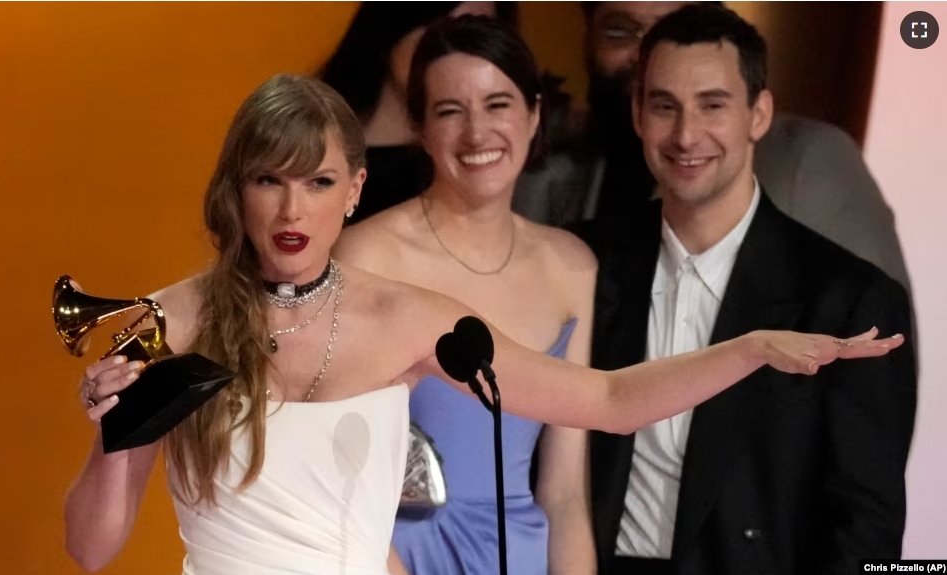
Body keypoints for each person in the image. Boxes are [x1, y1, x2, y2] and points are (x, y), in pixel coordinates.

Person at [63, 73, 903, 575]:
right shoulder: (167, 318)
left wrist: (750, 347)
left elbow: (606, 398)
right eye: (268, 181)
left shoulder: (403, 317)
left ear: (353, 190)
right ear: (235, 188)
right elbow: (92, 549)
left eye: (317, 182)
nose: (292, 208)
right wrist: (111, 441)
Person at [570, 5, 917, 574]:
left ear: (759, 114)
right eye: (663, 106)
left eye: (713, 105)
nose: (685, 135)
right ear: (636, 114)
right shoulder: (583, 262)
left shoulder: (847, 298)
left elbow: (866, 526)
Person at [333, 15, 595, 575]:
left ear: (534, 113)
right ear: (419, 126)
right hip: (390, 558)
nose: (478, 133)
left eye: (498, 104)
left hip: (520, 555)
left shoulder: (572, 268)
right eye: (451, 111)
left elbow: (566, 493)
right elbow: (336, 476)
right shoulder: (365, 258)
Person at [512, 1, 913, 295]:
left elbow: (878, 352)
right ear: (587, 40)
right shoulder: (548, 170)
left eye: (677, 30)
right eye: (620, 31)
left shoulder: (808, 161)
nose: (650, 57)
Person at [320, 2, 515, 225]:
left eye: (478, 37)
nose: (455, 55)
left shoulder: (496, 157)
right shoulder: (305, 144)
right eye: (437, 29)